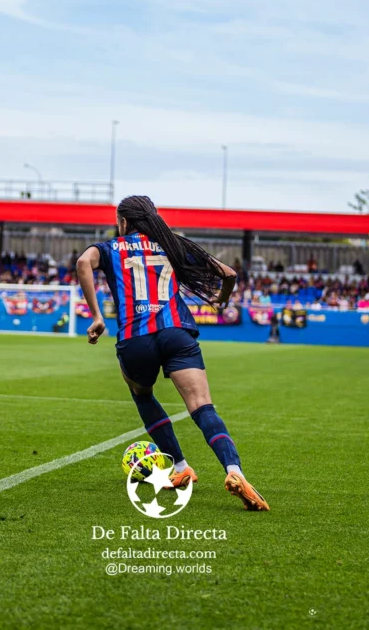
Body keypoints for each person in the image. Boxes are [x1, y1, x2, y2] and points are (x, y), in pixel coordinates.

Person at [76, 195, 269, 511]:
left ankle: (180, 468)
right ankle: (234, 471)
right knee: (202, 407)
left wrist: (97, 315)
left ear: (123, 221)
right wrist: (220, 299)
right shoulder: (172, 243)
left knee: (143, 395)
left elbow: (83, 263)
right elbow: (229, 274)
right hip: (176, 332)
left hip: (135, 338)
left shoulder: (109, 248)